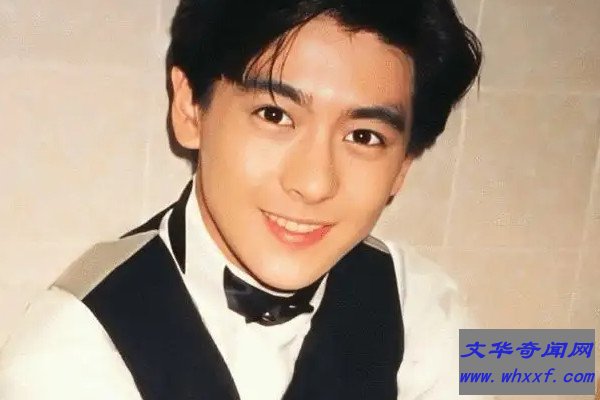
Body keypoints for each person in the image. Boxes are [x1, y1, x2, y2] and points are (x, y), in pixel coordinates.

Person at [0, 0, 483, 399]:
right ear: (190, 108)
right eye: (274, 114)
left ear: (402, 166)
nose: (314, 184)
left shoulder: (420, 300)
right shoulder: (67, 352)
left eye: (363, 136)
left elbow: (522, 370)